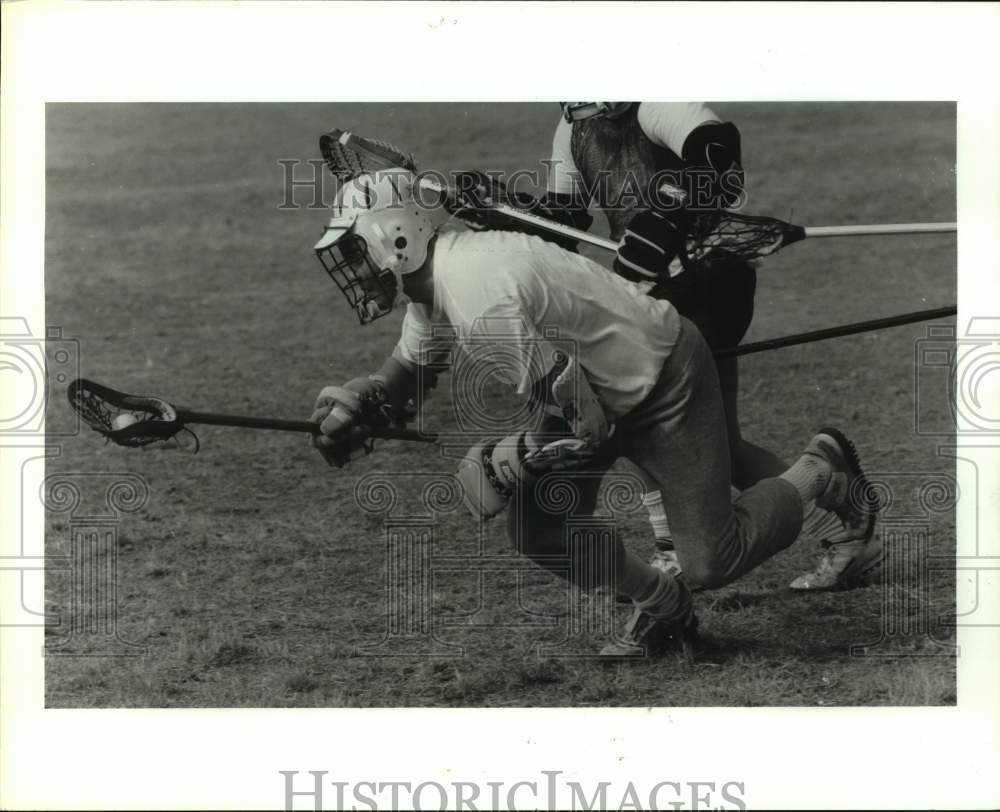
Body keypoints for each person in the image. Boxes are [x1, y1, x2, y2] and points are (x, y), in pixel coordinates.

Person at [307, 170, 880, 656]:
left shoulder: (477, 295)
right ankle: (663, 604)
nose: (353, 268)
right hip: (588, 387)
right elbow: (406, 377)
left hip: (661, 379)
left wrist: (513, 458)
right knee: (538, 526)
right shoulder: (436, 286)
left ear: (397, 237)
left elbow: (585, 420)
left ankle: (818, 471)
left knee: (712, 559)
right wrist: (360, 405)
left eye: (357, 248)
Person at [471, 101, 875, 590]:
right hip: (651, 294)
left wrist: (668, 215)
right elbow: (567, 218)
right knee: (721, 445)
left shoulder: (655, 101)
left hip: (708, 280)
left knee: (644, 415)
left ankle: (673, 548)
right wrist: (508, 215)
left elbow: (718, 150)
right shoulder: (574, 126)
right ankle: (846, 517)